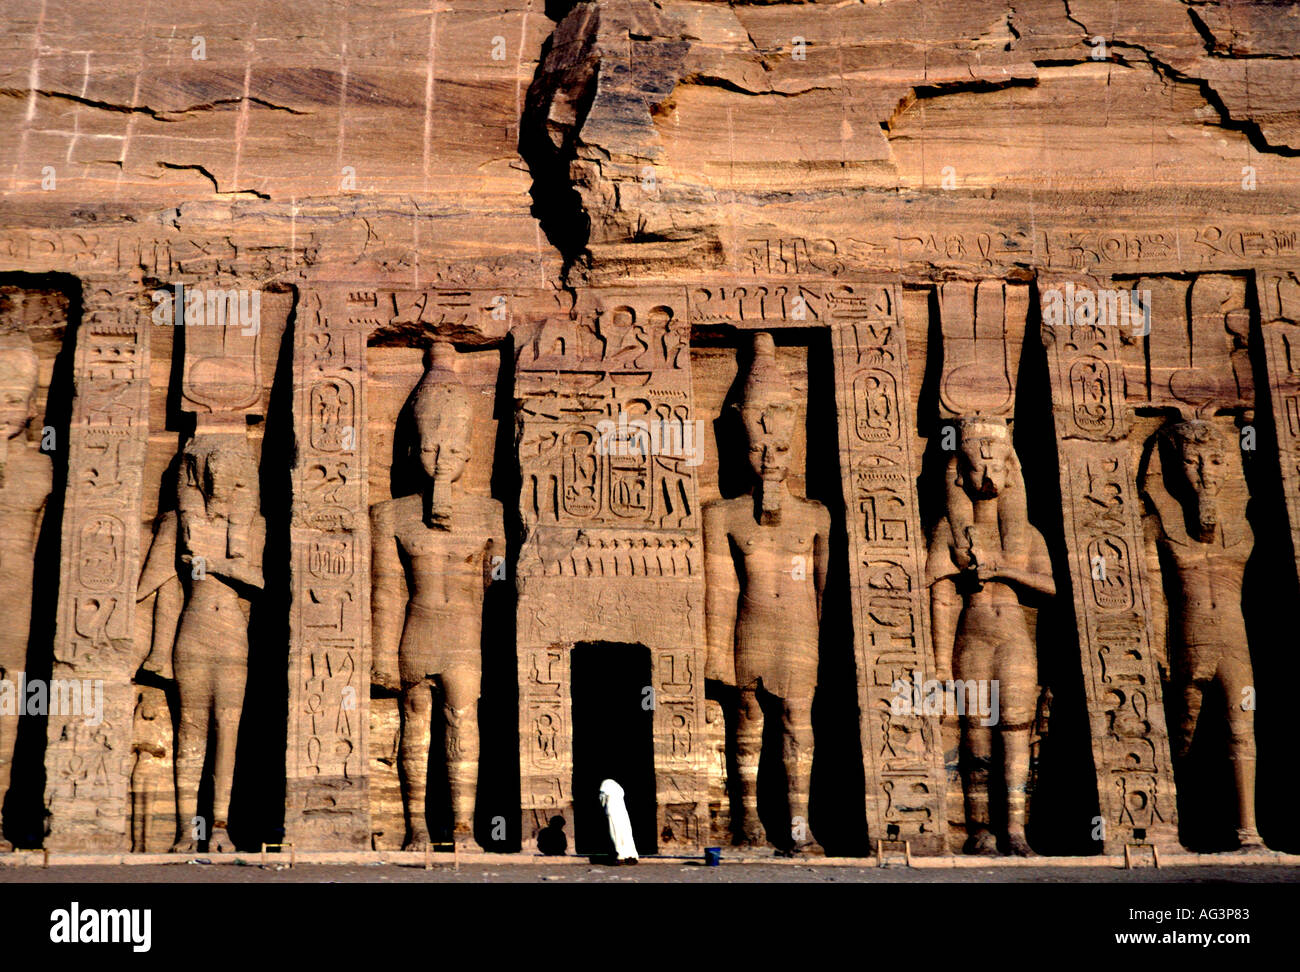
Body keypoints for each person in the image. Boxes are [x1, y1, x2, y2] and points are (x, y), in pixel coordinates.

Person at [599, 778, 638, 864]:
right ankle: (630, 855)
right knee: (626, 834)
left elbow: (602, 799)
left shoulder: (606, 788)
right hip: (622, 813)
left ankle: (619, 856)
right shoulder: (619, 794)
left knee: (615, 834)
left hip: (612, 812)